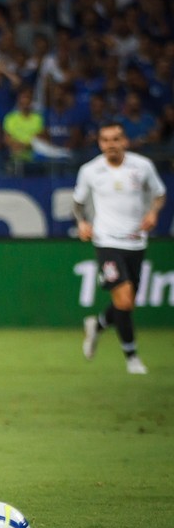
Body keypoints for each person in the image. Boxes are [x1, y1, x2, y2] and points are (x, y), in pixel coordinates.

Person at [74, 123, 166, 374]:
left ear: (125, 141)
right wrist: (82, 223)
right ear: (100, 144)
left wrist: (153, 212)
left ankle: (98, 325)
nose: (110, 144)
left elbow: (159, 194)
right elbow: (78, 202)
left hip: (136, 241)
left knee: (126, 303)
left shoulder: (142, 166)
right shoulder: (90, 170)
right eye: (105, 140)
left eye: (115, 139)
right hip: (106, 242)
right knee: (124, 299)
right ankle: (131, 357)